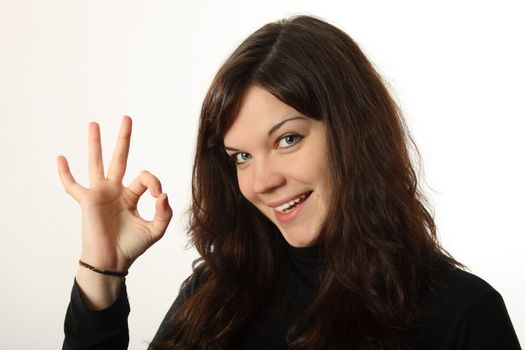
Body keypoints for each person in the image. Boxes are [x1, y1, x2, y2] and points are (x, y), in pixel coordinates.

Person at [59, 15, 522, 350]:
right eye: (241, 156)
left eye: (287, 139)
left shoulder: (463, 314)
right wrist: (101, 272)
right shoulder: (214, 297)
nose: (262, 181)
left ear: (353, 132)